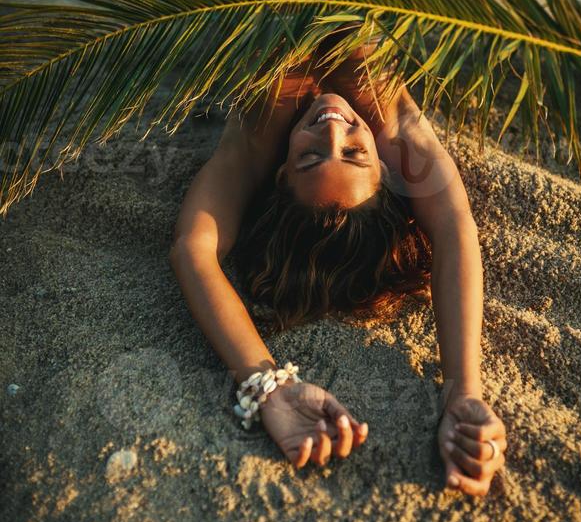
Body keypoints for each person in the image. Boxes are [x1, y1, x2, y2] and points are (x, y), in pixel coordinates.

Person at [169, 33, 506, 496]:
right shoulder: (393, 128)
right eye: (353, 153)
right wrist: (464, 391)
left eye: (310, 156)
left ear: (282, 174)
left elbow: (193, 249)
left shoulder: (261, 133)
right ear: (389, 170)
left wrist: (266, 385)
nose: (332, 128)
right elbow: (453, 230)